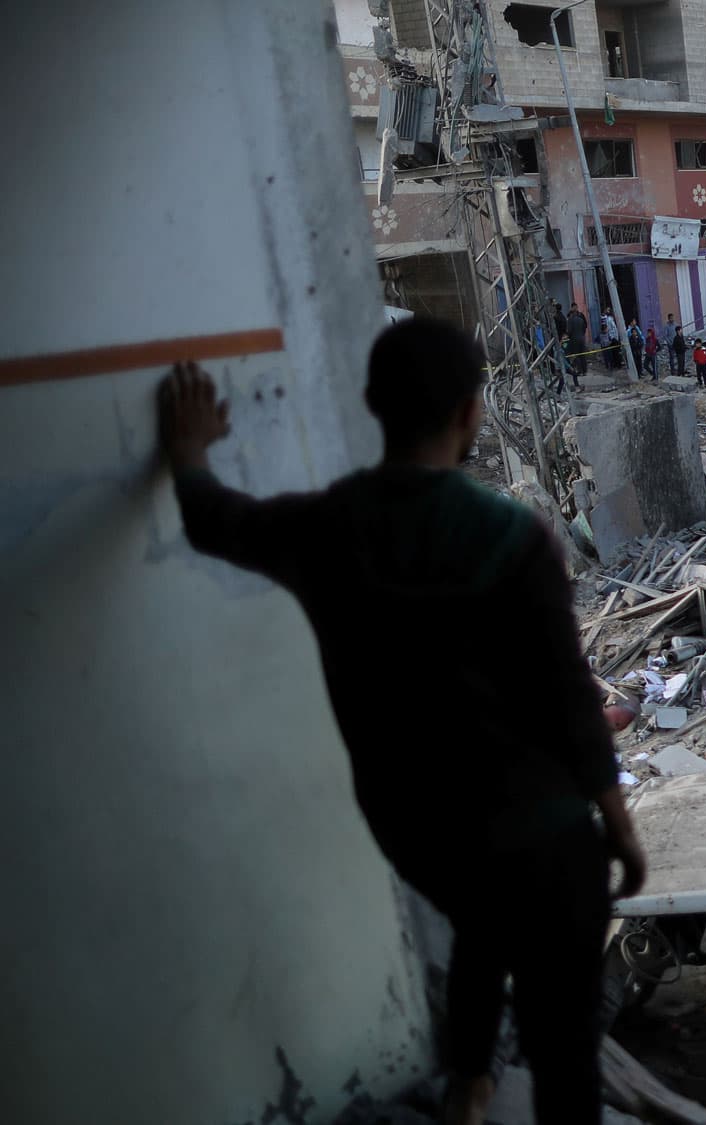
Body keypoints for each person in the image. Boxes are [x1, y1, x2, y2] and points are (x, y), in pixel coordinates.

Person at [155, 321, 647, 1125]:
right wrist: (620, 826)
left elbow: (213, 516)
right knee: (565, 1057)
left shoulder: (321, 528)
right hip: (541, 836)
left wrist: (187, 449)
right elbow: (568, 700)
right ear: (469, 413)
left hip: (422, 833)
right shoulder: (515, 538)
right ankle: (492, 1085)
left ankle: (469, 1087)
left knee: (480, 913)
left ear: (373, 408)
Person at [564, 305, 588, 385]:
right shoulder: (581, 320)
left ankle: (580, 370)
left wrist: (569, 336)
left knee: (577, 355)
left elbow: (569, 331)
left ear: (571, 314)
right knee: (583, 355)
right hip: (582, 338)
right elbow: (584, 328)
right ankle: (585, 371)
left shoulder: (570, 320)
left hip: (574, 339)